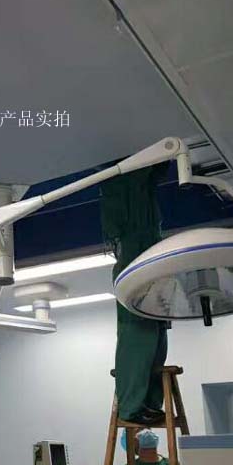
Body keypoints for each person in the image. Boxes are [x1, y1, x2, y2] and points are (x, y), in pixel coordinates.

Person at [101, 165, 169, 424]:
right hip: (134, 259)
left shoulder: (142, 200)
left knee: (156, 334)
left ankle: (148, 402)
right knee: (138, 334)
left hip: (149, 255)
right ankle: (133, 406)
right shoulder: (124, 190)